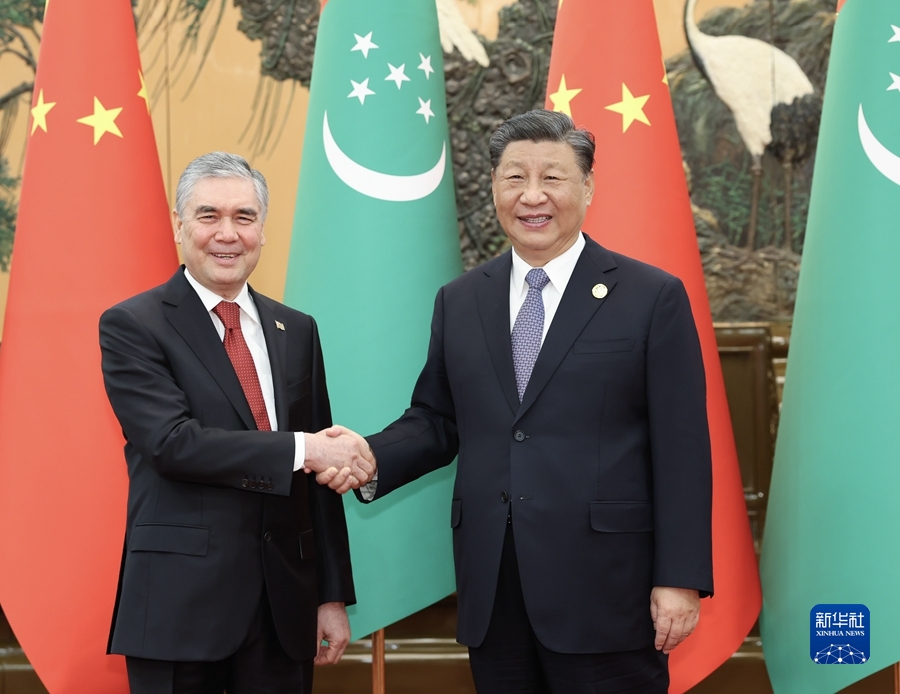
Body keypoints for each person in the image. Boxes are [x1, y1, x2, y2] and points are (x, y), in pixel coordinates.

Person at [334, 110, 713, 693]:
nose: (532, 196)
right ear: (494, 187)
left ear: (588, 186)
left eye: (552, 178)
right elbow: (437, 420)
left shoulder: (651, 296)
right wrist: (370, 455)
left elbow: (682, 448)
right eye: (515, 178)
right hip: (495, 590)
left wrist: (680, 578)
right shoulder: (461, 300)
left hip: (607, 592)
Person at [99, 152, 375, 694]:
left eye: (244, 217)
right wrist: (305, 449)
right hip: (180, 609)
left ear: (262, 230)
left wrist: (330, 596)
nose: (227, 234)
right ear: (180, 225)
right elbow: (173, 444)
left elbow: (318, 479)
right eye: (209, 216)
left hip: (284, 611)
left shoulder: (296, 329)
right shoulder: (133, 324)